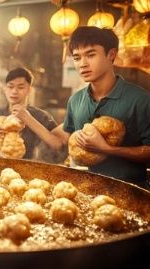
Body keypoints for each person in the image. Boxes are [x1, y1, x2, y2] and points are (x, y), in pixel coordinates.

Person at [34, 26, 150, 186]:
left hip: (132, 193)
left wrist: (106, 149)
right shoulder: (75, 101)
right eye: (76, 58)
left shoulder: (140, 99)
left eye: (90, 55)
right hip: (90, 190)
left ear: (111, 55)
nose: (82, 64)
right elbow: (61, 140)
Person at [0, 67, 63, 161]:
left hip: (32, 169)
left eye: (20, 87)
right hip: (0, 167)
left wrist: (27, 118)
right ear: (4, 89)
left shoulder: (41, 116)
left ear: (29, 89)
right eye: (10, 86)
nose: (14, 91)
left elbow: (58, 144)